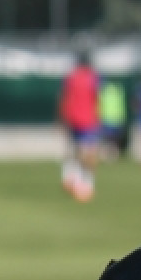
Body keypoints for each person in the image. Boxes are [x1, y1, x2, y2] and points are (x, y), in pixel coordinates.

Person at [58, 53, 101, 202]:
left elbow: (64, 97)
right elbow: (97, 98)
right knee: (89, 152)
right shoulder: (93, 78)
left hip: (72, 118)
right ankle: (86, 183)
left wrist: (62, 118)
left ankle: (70, 177)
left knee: (75, 149)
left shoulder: (70, 77)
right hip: (88, 119)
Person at [99, 79, 127, 161]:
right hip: (116, 118)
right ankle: (111, 155)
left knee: (109, 138)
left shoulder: (104, 91)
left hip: (108, 117)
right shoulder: (119, 90)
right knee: (112, 139)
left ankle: (110, 155)